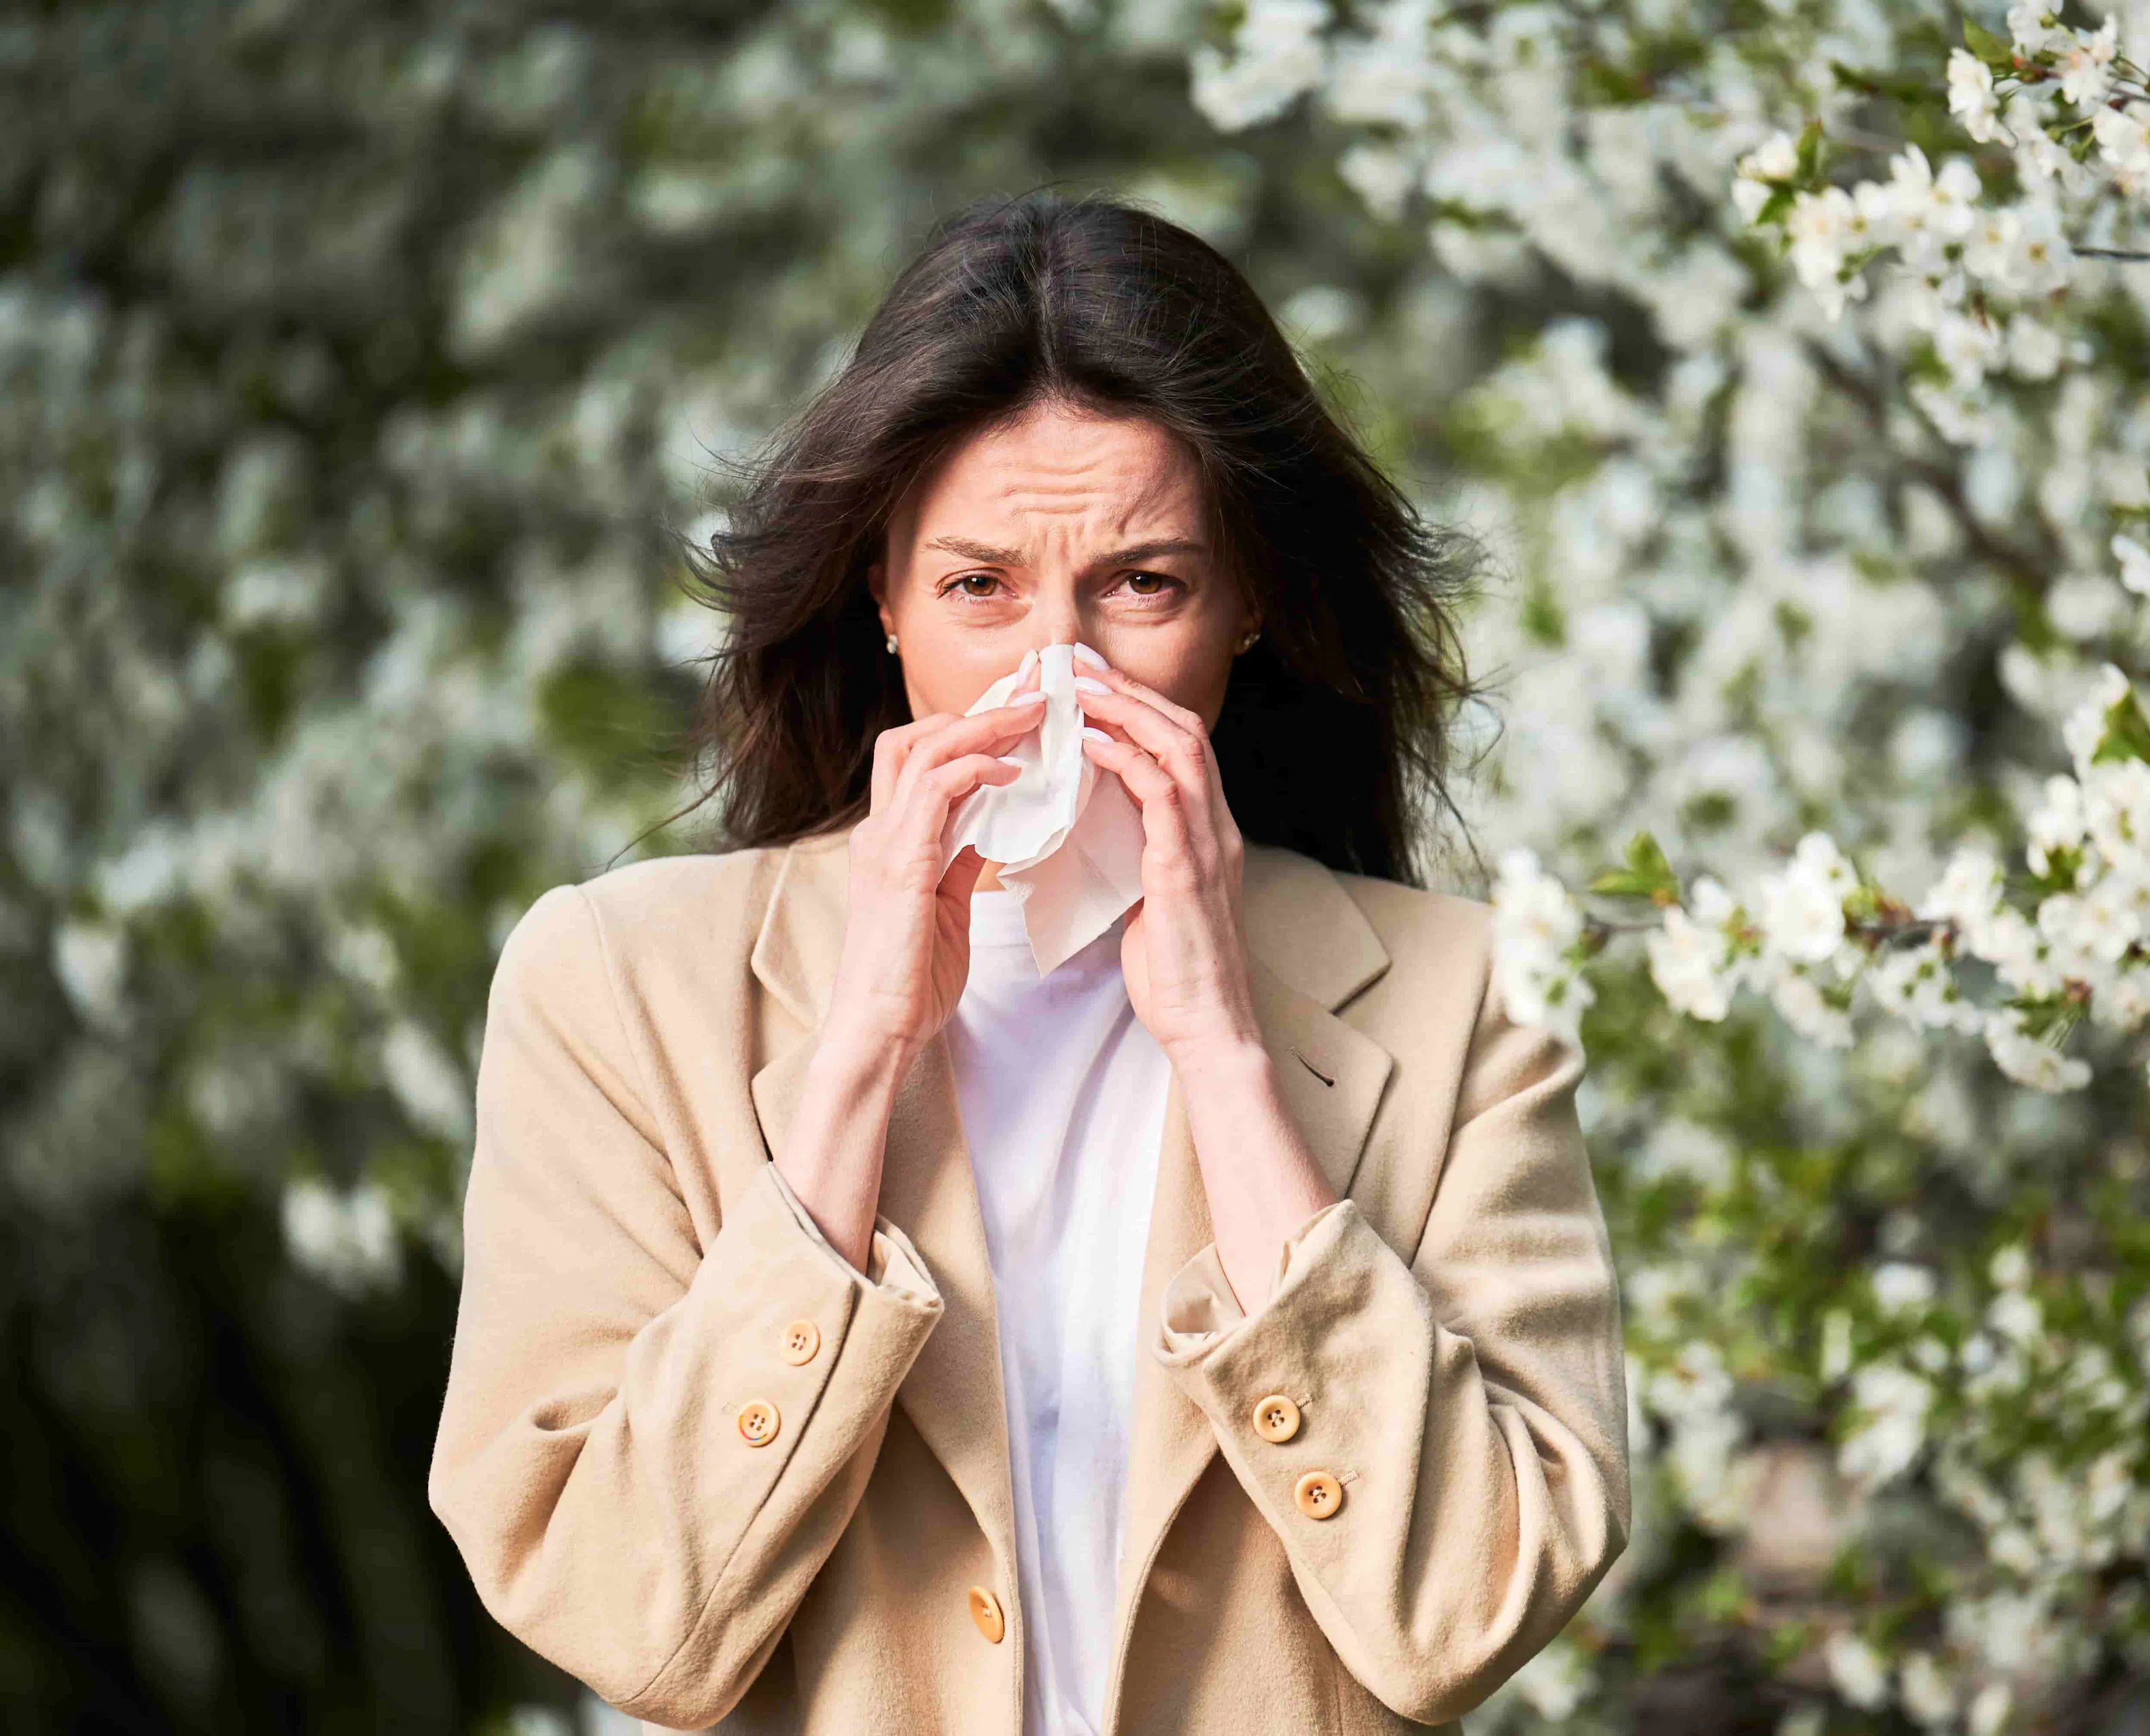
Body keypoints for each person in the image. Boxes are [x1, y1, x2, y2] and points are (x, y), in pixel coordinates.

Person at [427, 190, 1630, 1736]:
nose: (1058, 670)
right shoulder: (616, 982)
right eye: (978, 586)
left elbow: (1475, 1604)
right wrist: (859, 1056)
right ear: (881, 595)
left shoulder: (1465, 1000)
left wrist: (1226, 1050)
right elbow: (623, 1619)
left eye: (1143, 584)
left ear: (1247, 605)